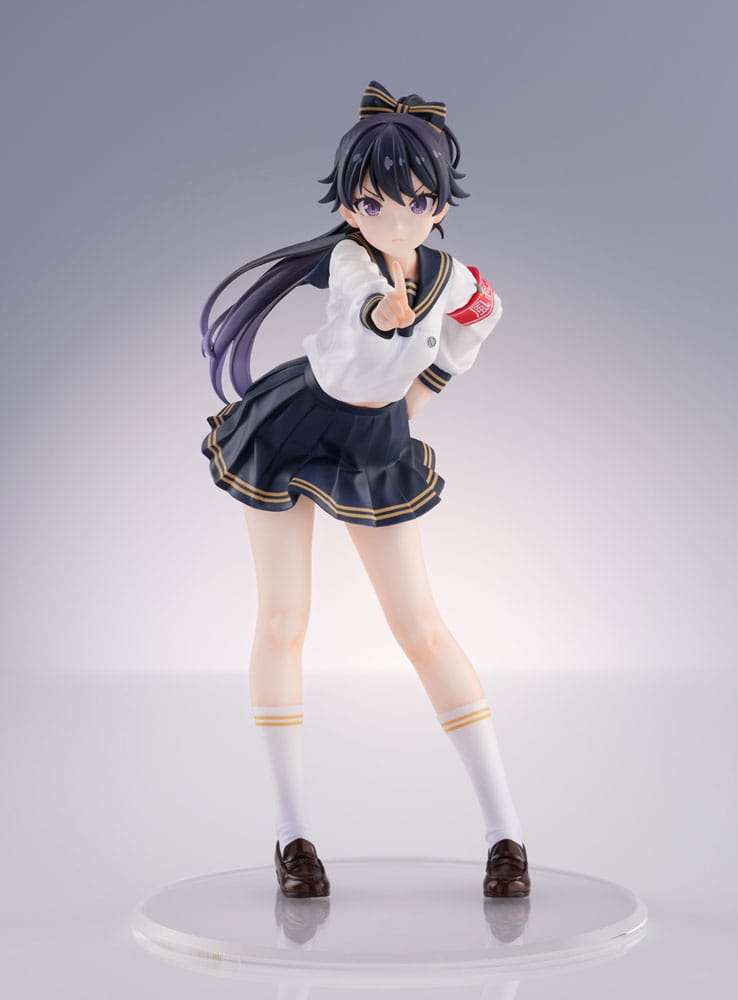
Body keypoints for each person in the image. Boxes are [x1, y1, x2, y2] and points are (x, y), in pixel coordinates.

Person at [200, 79, 530, 899]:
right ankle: (293, 837)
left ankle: (507, 836)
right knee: (284, 619)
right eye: (375, 202)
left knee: (420, 626)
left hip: (373, 440)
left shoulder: (454, 278)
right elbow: (359, 308)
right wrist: (384, 317)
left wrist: (419, 393)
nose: (397, 217)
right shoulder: (353, 262)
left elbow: (477, 322)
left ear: (438, 205)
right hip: (293, 423)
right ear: (350, 207)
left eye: (416, 201)